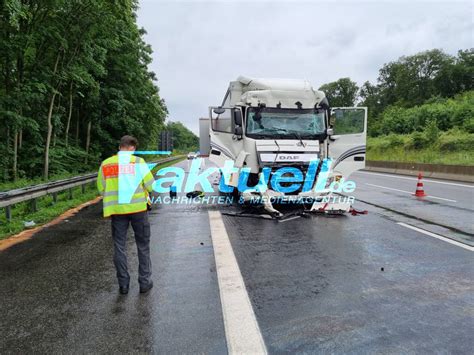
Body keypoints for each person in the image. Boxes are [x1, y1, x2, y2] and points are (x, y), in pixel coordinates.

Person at [97, 135, 155, 295]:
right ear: (131, 147)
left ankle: (123, 285)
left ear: (120, 146)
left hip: (117, 212)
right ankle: (144, 283)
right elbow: (150, 186)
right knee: (142, 246)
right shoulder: (138, 162)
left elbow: (101, 188)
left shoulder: (106, 164)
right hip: (138, 210)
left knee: (119, 246)